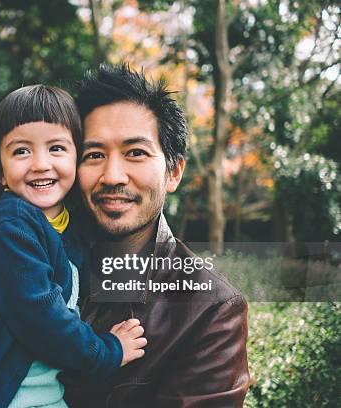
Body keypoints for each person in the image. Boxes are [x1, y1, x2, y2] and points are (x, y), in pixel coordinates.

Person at [0, 85, 147, 408]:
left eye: (57, 148)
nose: (40, 164)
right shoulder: (11, 225)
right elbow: (41, 315)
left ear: (78, 159)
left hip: (36, 388)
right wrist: (108, 351)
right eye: (21, 151)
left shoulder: (72, 227)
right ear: (0, 171)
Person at [61, 64, 250, 407]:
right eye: (94, 155)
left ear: (173, 172)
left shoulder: (210, 312)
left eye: (135, 152)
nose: (113, 175)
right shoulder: (30, 258)